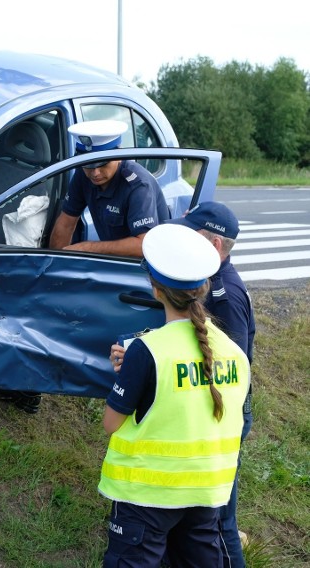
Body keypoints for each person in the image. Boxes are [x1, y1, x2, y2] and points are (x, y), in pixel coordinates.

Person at [111, 200, 255, 567]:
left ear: (155, 289)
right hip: (205, 484)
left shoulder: (151, 350)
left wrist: (138, 373)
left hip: (148, 494)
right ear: (202, 287)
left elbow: (112, 422)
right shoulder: (232, 353)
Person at [49, 120, 169, 257]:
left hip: (145, 269)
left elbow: (144, 245)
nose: (95, 173)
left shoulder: (138, 185)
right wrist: (54, 263)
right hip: (113, 264)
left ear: (118, 157)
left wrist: (89, 248)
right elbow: (66, 223)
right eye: (88, 165)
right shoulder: (83, 174)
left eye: (103, 165)